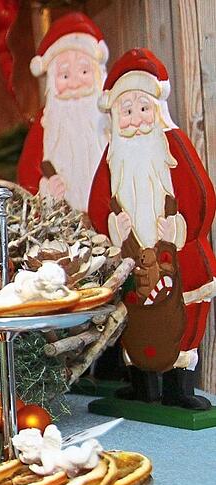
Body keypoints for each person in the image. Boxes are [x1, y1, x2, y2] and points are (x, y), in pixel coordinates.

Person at [88, 49, 215, 410]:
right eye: (126, 111)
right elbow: (99, 203)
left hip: (178, 253)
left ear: (157, 108)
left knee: (186, 315)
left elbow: (200, 193)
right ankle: (144, 385)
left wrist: (178, 225)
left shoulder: (171, 146)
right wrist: (115, 225)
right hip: (130, 258)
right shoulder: (115, 156)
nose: (136, 119)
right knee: (135, 318)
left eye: (143, 108)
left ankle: (179, 386)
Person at [17, 12, 110, 212]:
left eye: (84, 72)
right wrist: (45, 189)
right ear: (51, 79)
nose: (75, 84)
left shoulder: (113, 117)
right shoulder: (46, 124)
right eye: (65, 75)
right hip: (62, 229)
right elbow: (27, 177)